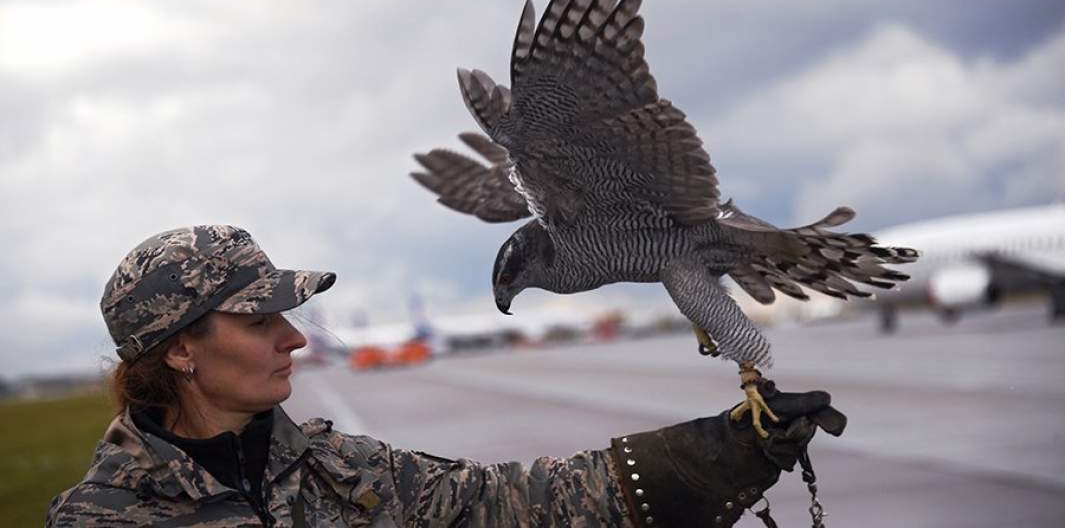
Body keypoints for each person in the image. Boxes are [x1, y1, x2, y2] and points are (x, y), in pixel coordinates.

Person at [47, 225, 843, 527]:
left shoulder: (341, 471)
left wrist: (721, 451)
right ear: (179, 350)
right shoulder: (101, 520)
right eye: (260, 322)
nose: (293, 338)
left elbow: (510, 503)